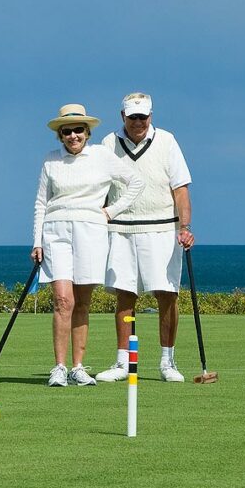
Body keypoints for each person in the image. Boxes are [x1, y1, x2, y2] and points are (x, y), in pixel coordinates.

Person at [32, 104, 145, 388]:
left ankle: (78, 367)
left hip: (91, 231)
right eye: (67, 131)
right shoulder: (50, 161)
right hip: (55, 231)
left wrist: (111, 211)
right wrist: (36, 241)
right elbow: (40, 204)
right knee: (62, 300)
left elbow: (135, 182)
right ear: (60, 135)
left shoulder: (102, 156)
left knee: (82, 302)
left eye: (78, 130)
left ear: (87, 132)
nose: (73, 136)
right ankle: (58, 367)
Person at [96, 92, 195, 383]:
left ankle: (167, 362)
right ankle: (122, 362)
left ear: (151, 116)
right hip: (121, 229)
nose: (138, 122)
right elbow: (99, 188)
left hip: (163, 228)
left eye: (143, 116)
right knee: (125, 296)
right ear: (122, 116)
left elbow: (180, 189)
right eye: (132, 116)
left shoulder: (167, 141)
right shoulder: (107, 144)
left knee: (167, 294)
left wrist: (184, 227)